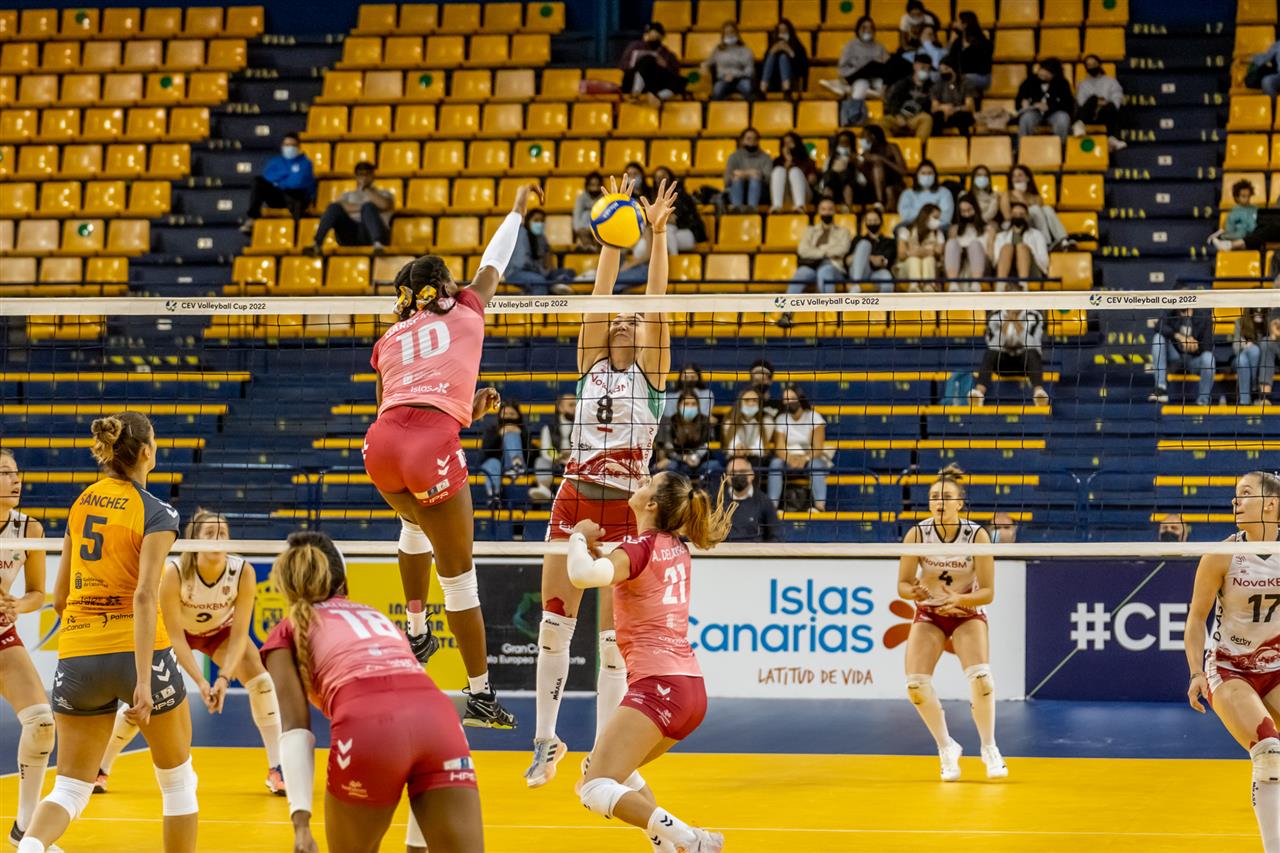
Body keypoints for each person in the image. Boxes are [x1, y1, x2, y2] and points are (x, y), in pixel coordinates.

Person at [360, 186, 548, 731]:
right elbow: (495, 261)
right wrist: (517, 209)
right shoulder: (466, 306)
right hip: (429, 446)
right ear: (444, 285)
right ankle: (481, 695)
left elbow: (394, 404)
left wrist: (465, 407)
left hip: (381, 446)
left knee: (414, 521)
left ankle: (416, 628)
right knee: (460, 579)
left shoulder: (391, 335)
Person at [526, 178, 678, 788]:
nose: (622, 322)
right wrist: (612, 238)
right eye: (617, 321)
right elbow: (599, 295)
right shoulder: (590, 363)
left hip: (626, 510)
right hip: (574, 495)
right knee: (553, 625)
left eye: (631, 323)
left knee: (615, 645)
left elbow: (656, 301)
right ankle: (545, 740)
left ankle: (601, 753)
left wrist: (657, 233)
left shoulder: (653, 372)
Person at [18, 413, 195, 853]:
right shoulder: (158, 513)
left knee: (70, 788)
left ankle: (30, 847)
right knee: (178, 783)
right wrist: (142, 681)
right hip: (138, 653)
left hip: (78, 652)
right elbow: (144, 596)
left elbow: (59, 598)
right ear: (147, 452)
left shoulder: (82, 503)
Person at [262, 533, 482, 853]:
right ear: (344, 582)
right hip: (440, 720)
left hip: (369, 729)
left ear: (285, 585)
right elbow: (413, 724)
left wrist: (302, 824)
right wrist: (415, 847)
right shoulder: (375, 615)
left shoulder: (286, 630)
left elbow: (296, 729)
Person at [567, 472, 735, 853]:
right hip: (690, 691)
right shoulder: (676, 548)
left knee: (594, 788)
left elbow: (580, 575)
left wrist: (577, 536)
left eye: (648, 483)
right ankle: (667, 847)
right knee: (613, 771)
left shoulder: (638, 549)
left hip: (659, 688)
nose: (641, 482)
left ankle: (692, 839)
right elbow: (632, 578)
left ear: (652, 504)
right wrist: (608, 560)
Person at [95, 510, 284, 797]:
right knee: (146, 698)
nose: (217, 538)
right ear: (195, 540)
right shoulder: (175, 572)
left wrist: (223, 678)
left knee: (262, 682)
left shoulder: (242, 571)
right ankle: (101, 768)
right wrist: (201, 682)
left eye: (223, 533)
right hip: (176, 634)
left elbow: (239, 634)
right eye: (209, 533)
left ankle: (277, 768)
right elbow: (175, 637)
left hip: (220, 633)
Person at [1184, 472, 1280, 853]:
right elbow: (1196, 620)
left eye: (1245, 494)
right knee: (1268, 752)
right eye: (1235, 495)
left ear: (1271, 504)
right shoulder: (1221, 555)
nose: (1235, 501)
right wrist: (1195, 672)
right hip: (1229, 668)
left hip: (1275, 667)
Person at [897, 465, 1006, 782]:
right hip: (930, 614)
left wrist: (961, 599)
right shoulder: (917, 534)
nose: (939, 503)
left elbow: (988, 592)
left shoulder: (976, 535)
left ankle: (989, 748)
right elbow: (902, 584)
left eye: (946, 497)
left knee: (981, 679)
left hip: (965, 613)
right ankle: (946, 747)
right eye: (934, 497)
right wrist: (913, 592)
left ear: (960, 503)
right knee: (916, 686)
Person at [0, 451, 53, 849]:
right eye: (5, 473)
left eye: (16, 473)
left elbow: (37, 592)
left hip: (2, 637)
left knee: (41, 724)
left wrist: (18, 605)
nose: (15, 480)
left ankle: (25, 827)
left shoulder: (29, 528)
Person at [768, 385, 831, 512]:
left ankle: (820, 506)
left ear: (800, 398)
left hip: (809, 457)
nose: (788, 402)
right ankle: (772, 507)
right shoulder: (781, 419)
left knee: (816, 465)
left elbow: (817, 447)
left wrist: (804, 458)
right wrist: (790, 459)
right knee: (775, 463)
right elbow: (779, 447)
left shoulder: (814, 417)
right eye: (785, 399)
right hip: (788, 458)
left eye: (792, 398)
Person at [306, 161, 392, 255]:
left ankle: (378, 244)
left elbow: (384, 204)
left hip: (370, 234)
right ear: (356, 176)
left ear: (373, 176)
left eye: (367, 174)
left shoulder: (383, 193)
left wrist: (366, 190)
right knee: (333, 207)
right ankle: (317, 244)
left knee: (368, 207)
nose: (364, 177)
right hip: (350, 233)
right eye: (360, 174)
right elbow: (338, 207)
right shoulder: (348, 195)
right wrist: (363, 207)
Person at [971, 306, 1050, 406]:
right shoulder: (994, 316)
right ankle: (979, 393)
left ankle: (1039, 393)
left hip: (1025, 365)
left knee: (1032, 352)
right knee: (990, 353)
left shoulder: (1035, 316)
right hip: (1002, 364)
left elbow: (1031, 345)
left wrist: (1016, 322)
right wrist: (1007, 321)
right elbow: (993, 346)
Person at [240, 133, 315, 233]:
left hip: (297, 198)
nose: (289, 148)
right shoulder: (275, 162)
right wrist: (289, 175)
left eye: (292, 145)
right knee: (258, 181)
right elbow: (267, 178)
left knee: (295, 193)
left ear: (298, 147)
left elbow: (297, 183)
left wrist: (279, 181)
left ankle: (296, 231)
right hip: (279, 197)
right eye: (286, 145)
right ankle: (252, 218)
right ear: (282, 146)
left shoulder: (306, 163)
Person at [1150, 306, 1216, 405]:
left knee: (1208, 358)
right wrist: (1178, 336)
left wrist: (1194, 345)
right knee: (1158, 338)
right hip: (1174, 359)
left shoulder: (1203, 315)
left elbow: (1208, 347)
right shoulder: (1170, 312)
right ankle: (1161, 389)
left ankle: (1203, 401)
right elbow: (1158, 326)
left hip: (1194, 360)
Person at [787, 198, 853, 296]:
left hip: (834, 267)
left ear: (834, 211)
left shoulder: (843, 231)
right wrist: (824, 252)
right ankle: (787, 304)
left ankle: (828, 305)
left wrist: (815, 250)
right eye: (824, 209)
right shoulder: (810, 231)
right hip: (812, 265)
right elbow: (802, 250)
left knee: (825, 270)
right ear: (819, 211)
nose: (827, 212)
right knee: (801, 272)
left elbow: (842, 249)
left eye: (830, 209)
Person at [505, 209, 576, 296]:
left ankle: (552, 285)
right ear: (528, 221)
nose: (540, 223)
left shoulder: (541, 237)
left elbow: (547, 255)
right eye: (536, 220)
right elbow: (523, 263)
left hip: (538, 272)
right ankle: (549, 288)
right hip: (517, 272)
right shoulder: (521, 234)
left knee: (569, 272)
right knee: (540, 281)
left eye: (542, 221)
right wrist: (543, 272)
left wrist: (548, 269)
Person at [821, 17, 891, 101]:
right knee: (861, 87)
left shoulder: (879, 47)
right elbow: (842, 68)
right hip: (857, 79)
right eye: (864, 27)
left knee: (883, 85)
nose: (868, 30)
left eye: (870, 28)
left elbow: (888, 66)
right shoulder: (850, 46)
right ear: (858, 30)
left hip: (875, 78)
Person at [1002, 164, 1070, 249]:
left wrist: (1023, 197)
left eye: (1020, 175)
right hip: (1016, 223)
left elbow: (1042, 218)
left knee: (1047, 208)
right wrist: (1020, 201)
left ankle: (1063, 240)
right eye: (1014, 176)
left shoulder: (1036, 197)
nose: (1017, 179)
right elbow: (1007, 216)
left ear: (1028, 178)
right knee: (1034, 209)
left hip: (1035, 226)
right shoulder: (1007, 195)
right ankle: (1046, 242)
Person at [655, 392, 718, 484]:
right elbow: (669, 447)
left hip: (701, 461)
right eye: (686, 404)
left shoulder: (705, 421)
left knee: (715, 466)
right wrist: (684, 458)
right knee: (670, 466)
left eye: (693, 404)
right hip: (677, 460)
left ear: (698, 406)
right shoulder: (671, 421)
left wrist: (695, 457)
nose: (690, 407)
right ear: (679, 405)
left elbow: (707, 444)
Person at [479, 400, 532, 507]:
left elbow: (530, 454)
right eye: (505, 414)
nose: (508, 417)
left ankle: (516, 466)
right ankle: (494, 496)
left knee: (511, 435)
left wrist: (519, 434)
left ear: (518, 416)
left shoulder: (524, 432)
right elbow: (486, 451)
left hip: (518, 467)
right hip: (494, 466)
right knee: (493, 463)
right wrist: (500, 434)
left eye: (512, 414)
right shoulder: (492, 431)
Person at [619, 21, 685, 103]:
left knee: (681, 81)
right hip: (632, 81)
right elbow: (622, 65)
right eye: (649, 34)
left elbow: (675, 72)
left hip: (653, 84)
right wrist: (636, 62)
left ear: (662, 37)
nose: (652, 37)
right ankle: (635, 93)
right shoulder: (635, 46)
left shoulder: (667, 54)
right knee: (648, 59)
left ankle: (658, 97)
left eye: (655, 36)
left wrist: (665, 65)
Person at [532, 393, 576, 503]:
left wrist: (572, 456)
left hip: (576, 463)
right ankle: (544, 488)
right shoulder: (548, 427)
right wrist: (559, 457)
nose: (575, 408)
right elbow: (546, 450)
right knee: (540, 461)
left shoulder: (583, 426)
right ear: (560, 407)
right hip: (555, 463)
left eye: (576, 405)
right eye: (571, 405)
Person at [1075, 54, 1125, 151]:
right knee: (1093, 98)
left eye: (1094, 64)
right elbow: (1081, 102)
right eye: (1089, 65)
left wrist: (1103, 104)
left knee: (1111, 106)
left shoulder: (1111, 81)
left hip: (1105, 113)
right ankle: (1080, 124)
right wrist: (1096, 103)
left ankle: (1112, 139)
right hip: (1088, 114)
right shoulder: (1083, 83)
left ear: (1099, 64)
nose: (1092, 67)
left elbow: (1117, 97)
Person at [724, 458, 781, 543]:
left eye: (742, 471)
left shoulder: (764, 501)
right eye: (733, 472)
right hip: (725, 550)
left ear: (752, 475)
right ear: (726, 477)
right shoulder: (717, 501)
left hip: (755, 550)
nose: (738, 475)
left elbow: (776, 535)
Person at [993, 202, 1049, 289]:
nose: (1018, 217)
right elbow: (996, 260)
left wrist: (1028, 252)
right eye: (1015, 214)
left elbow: (1044, 262)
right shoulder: (1001, 236)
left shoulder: (1037, 235)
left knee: (1022, 248)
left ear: (1027, 216)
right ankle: (1000, 287)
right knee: (1007, 247)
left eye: (1021, 214)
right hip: (1007, 272)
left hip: (1032, 271)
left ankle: (1023, 287)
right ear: (1011, 216)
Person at [1016, 58, 1075, 141]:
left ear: (1054, 74)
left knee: (1063, 118)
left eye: (1048, 72)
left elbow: (1068, 105)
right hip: (1034, 113)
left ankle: (1061, 146)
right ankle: (1023, 146)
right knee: (1026, 118)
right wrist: (1025, 103)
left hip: (1054, 113)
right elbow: (1019, 101)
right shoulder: (1029, 81)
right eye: (1041, 70)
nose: (1043, 73)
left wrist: (1049, 106)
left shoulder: (1062, 83)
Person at [649, 167, 706, 252]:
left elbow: (672, 219)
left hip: (688, 234)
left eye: (663, 175)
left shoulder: (681, 195)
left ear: (670, 177)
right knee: (654, 238)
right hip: (673, 236)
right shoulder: (654, 197)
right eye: (657, 177)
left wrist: (654, 218)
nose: (661, 179)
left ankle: (672, 258)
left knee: (665, 230)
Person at [882, 55, 936, 140]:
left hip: (916, 118)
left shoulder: (931, 87)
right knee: (883, 122)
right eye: (922, 67)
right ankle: (889, 146)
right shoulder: (902, 83)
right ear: (914, 66)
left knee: (927, 119)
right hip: (898, 117)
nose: (925, 70)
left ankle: (918, 146)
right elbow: (892, 102)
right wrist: (898, 116)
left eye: (928, 69)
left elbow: (931, 107)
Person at [855, 125, 908, 209]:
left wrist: (883, 159)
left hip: (893, 183)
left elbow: (903, 171)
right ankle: (879, 202)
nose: (861, 139)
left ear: (873, 137)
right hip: (872, 189)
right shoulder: (865, 153)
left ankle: (881, 203)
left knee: (889, 190)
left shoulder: (892, 147)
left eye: (863, 136)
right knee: (877, 167)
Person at [721, 388, 775, 471]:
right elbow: (731, 447)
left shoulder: (767, 422)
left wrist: (749, 451)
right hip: (734, 457)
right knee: (736, 463)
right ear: (740, 403)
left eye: (754, 400)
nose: (751, 403)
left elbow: (761, 448)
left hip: (757, 458)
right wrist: (738, 448)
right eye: (746, 400)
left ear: (759, 404)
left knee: (755, 462)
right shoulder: (729, 421)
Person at [944, 192, 989, 291]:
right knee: (951, 243)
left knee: (974, 245)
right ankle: (953, 285)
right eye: (963, 211)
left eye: (969, 210)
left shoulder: (988, 229)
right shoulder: (954, 230)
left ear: (975, 209)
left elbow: (990, 253)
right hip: (959, 265)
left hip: (982, 265)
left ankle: (976, 284)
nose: (967, 214)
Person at [896, 202, 944, 291]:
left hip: (931, 268)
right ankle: (914, 287)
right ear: (925, 216)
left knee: (929, 259)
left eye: (939, 218)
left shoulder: (938, 233)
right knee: (914, 259)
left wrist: (928, 252)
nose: (938, 221)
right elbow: (901, 254)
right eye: (935, 218)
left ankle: (929, 287)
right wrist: (913, 253)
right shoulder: (907, 230)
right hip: (907, 270)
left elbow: (939, 252)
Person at [703, 21, 756, 102]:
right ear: (723, 35)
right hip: (723, 79)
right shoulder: (718, 50)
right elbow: (710, 61)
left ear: (737, 33)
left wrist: (734, 75)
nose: (729, 35)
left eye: (732, 32)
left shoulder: (746, 50)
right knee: (717, 91)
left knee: (748, 88)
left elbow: (750, 71)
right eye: (726, 33)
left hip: (741, 79)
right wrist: (704, 65)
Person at [849, 205, 897, 292]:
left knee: (887, 277)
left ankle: (885, 301)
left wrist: (862, 256)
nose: (872, 223)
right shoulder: (858, 239)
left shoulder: (889, 241)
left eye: (875, 220)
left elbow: (884, 260)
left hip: (877, 272)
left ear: (881, 221)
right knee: (864, 244)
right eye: (869, 221)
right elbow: (847, 259)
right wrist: (869, 258)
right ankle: (855, 285)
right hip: (858, 272)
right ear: (865, 223)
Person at [943, 11, 993, 94]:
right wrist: (950, 42)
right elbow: (949, 58)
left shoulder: (983, 42)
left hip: (981, 77)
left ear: (965, 24)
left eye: (957, 21)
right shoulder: (957, 42)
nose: (954, 23)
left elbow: (981, 66)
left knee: (964, 78)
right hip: (961, 76)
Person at [725, 128, 773, 212]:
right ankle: (737, 209)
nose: (752, 141)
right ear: (742, 141)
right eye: (748, 139)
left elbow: (768, 179)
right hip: (736, 189)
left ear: (758, 141)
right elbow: (726, 181)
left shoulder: (766, 157)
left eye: (755, 139)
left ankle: (752, 209)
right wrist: (751, 173)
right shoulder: (734, 157)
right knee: (737, 180)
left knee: (755, 179)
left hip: (760, 192)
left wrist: (743, 174)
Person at [898, 160, 953, 228]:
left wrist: (920, 214)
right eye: (923, 173)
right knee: (899, 228)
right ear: (917, 175)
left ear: (935, 175)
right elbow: (905, 215)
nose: (926, 176)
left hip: (938, 227)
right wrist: (930, 214)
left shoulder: (945, 192)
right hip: (913, 226)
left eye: (930, 173)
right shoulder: (907, 193)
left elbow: (946, 216)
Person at [760, 18, 808, 96]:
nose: (782, 33)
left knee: (783, 57)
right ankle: (762, 89)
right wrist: (772, 52)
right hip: (774, 79)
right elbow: (765, 64)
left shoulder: (797, 44)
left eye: (785, 30)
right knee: (771, 56)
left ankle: (787, 89)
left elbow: (802, 66)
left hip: (792, 77)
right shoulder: (773, 43)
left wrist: (790, 51)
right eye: (780, 30)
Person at [770, 131, 816, 212]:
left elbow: (812, 181)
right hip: (784, 195)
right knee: (778, 170)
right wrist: (788, 162)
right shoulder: (777, 161)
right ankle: (776, 206)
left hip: (804, 194)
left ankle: (800, 206)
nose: (788, 145)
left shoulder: (807, 161)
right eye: (785, 143)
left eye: (790, 142)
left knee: (795, 171)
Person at [1233, 306, 1270, 406]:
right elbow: (1235, 348)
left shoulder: (1268, 323)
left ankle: (1247, 398)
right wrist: (1245, 346)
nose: (1258, 313)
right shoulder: (1240, 322)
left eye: (1261, 311)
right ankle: (1250, 393)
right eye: (1256, 311)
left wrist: (1253, 344)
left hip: (1261, 362)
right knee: (1242, 359)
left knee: (1254, 350)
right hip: (1240, 357)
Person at [931, 59, 976, 136]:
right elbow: (934, 107)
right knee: (937, 117)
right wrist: (943, 107)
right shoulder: (938, 83)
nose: (943, 72)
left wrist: (955, 109)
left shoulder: (966, 82)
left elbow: (969, 106)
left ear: (954, 68)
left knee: (961, 116)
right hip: (945, 115)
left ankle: (966, 141)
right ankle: (936, 142)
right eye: (941, 70)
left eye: (946, 69)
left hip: (960, 113)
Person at [573, 172, 605, 250]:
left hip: (599, 228)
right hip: (584, 228)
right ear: (587, 186)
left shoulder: (605, 198)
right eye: (592, 185)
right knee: (582, 234)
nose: (595, 188)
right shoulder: (581, 198)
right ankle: (589, 249)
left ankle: (596, 250)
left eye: (597, 185)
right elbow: (576, 215)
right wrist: (579, 229)